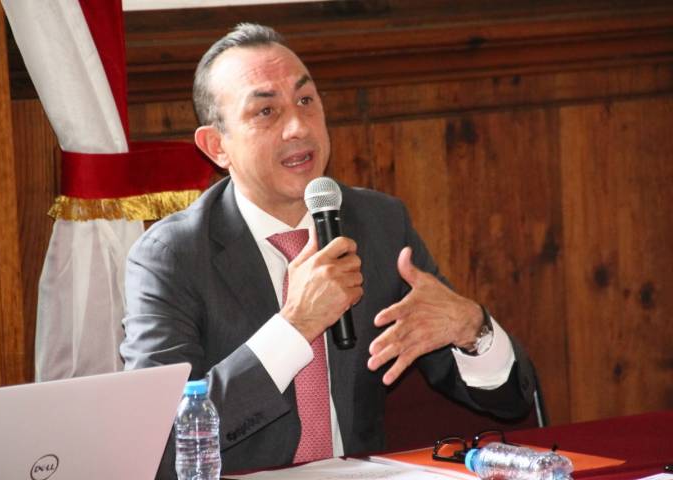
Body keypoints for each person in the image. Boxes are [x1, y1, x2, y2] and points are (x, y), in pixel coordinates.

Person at [120, 23, 535, 478]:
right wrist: (294, 327)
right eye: (266, 111)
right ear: (217, 146)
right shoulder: (171, 257)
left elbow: (511, 402)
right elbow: (159, 443)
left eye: (305, 101)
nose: (298, 127)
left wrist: (473, 329)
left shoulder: (379, 223)